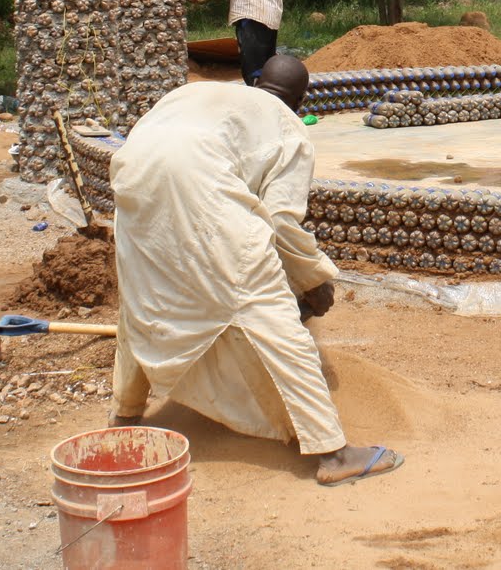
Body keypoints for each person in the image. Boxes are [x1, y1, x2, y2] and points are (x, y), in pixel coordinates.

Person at [109, 55, 403, 487]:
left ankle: (124, 417)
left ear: (256, 81)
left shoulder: (199, 91)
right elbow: (282, 220)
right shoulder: (290, 129)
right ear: (301, 102)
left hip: (131, 177)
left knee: (142, 297)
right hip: (197, 185)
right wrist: (312, 280)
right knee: (272, 315)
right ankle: (334, 453)